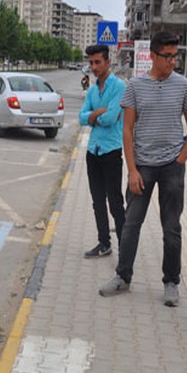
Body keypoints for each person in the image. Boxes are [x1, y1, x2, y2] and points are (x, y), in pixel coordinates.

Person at [99, 31, 187, 306]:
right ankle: (123, 276)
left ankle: (170, 282)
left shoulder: (184, 86)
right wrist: (132, 170)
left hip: (171, 167)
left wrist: (180, 161)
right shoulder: (135, 86)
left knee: (171, 229)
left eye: (175, 56)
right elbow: (128, 129)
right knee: (131, 224)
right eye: (167, 56)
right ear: (153, 56)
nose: (172, 62)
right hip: (141, 165)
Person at [79, 44, 126, 259]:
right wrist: (97, 113)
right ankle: (104, 243)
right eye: (91, 63)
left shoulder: (119, 87)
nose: (94, 66)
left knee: (115, 201)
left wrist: (94, 115)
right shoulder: (91, 89)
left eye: (97, 62)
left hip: (111, 152)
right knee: (97, 200)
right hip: (93, 151)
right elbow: (81, 117)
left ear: (108, 61)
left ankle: (125, 246)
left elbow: (111, 118)